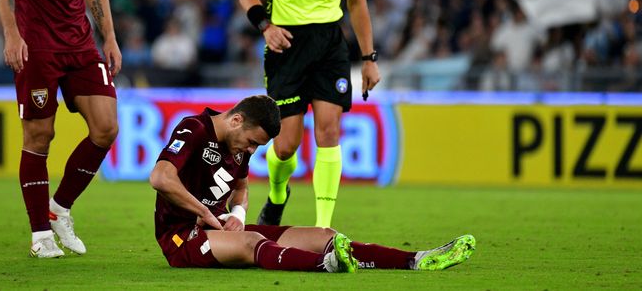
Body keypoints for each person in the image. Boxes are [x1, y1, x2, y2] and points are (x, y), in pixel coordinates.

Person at [150, 95, 476, 272]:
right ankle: (324, 265)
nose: (250, 151)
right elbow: (161, 178)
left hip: (220, 227)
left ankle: (416, 260)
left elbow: (242, 188)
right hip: (181, 237)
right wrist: (207, 215)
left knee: (326, 235)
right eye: (251, 142)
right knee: (251, 244)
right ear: (236, 120)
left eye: (256, 147)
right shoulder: (193, 129)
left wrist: (237, 211)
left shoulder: (239, 146)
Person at [238, 0, 381, 227]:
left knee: (329, 132)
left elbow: (357, 1)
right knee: (286, 146)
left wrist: (368, 57)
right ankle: (276, 195)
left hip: (330, 43)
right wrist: (265, 27)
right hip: (286, 43)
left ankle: (323, 228)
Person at [0, 0, 121, 258]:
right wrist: (12, 34)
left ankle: (59, 209)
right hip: (37, 47)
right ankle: (39, 235)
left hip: (80, 44)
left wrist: (110, 38)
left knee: (106, 128)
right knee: (40, 134)